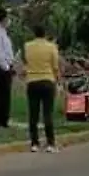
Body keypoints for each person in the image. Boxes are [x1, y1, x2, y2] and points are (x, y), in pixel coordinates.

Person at [20, 23, 62, 153]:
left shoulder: (27, 46)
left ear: (34, 34)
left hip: (32, 81)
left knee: (33, 114)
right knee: (47, 113)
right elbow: (55, 66)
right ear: (45, 34)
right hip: (47, 81)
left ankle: (34, 143)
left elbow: (25, 62)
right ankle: (50, 143)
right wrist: (58, 81)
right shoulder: (51, 47)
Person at [0, 8, 16, 130]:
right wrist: (6, 66)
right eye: (7, 18)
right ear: (3, 19)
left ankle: (4, 120)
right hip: (1, 68)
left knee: (6, 96)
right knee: (0, 96)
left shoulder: (4, 32)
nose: (9, 20)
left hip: (7, 67)